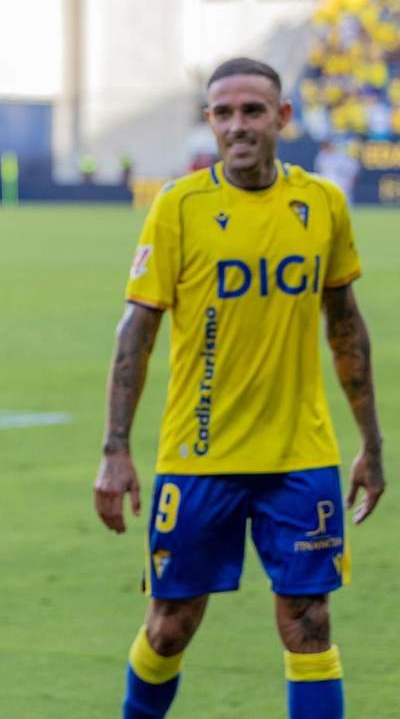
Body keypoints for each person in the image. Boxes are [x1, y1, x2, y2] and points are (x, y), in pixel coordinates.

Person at [94, 58, 384, 719]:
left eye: (253, 110)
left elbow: (346, 329)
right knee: (169, 625)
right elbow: (134, 336)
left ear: (282, 119)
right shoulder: (179, 207)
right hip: (200, 455)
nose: (238, 125)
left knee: (309, 624)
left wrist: (370, 442)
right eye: (223, 113)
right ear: (210, 122)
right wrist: (115, 450)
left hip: (300, 457)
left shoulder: (322, 205)